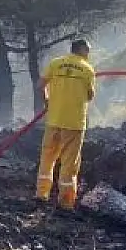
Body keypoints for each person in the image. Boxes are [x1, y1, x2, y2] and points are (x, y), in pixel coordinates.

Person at [34, 39, 96, 211]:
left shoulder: (55, 63)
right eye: (88, 50)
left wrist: (47, 100)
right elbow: (90, 95)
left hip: (53, 121)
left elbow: (40, 86)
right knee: (69, 163)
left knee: (47, 158)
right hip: (74, 124)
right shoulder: (87, 69)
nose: (89, 53)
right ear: (81, 49)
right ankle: (66, 202)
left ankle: (41, 194)